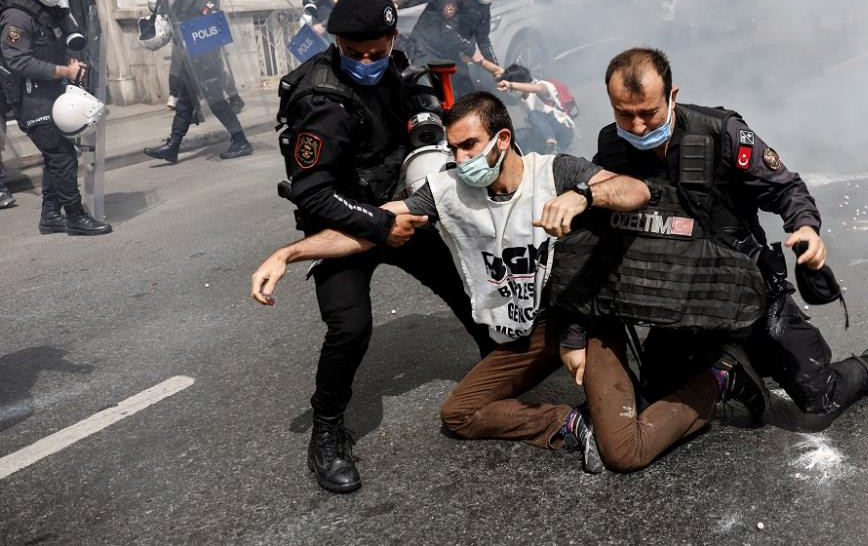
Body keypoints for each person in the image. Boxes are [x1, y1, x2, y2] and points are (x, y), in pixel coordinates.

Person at [251, 91, 764, 477]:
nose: (461, 159)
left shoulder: (554, 171)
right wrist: (289, 252)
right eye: (453, 149)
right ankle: (568, 425)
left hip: (582, 321)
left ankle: (718, 379)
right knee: (459, 414)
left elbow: (633, 190)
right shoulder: (446, 190)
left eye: (470, 145)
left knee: (625, 453)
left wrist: (584, 195)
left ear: (502, 139)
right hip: (526, 332)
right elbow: (374, 225)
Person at [571, 48, 868, 423]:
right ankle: (731, 370)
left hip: (745, 287)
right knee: (657, 395)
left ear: (672, 96)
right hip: (678, 298)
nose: (636, 127)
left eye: (648, 113)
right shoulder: (612, 146)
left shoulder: (720, 132)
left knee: (820, 398)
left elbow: (785, 188)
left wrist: (807, 229)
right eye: (624, 113)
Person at [252, 0, 496, 494]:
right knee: (350, 327)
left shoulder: (398, 63)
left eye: (376, 51)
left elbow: (423, 109)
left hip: (400, 204)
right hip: (343, 220)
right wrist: (381, 225)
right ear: (336, 41)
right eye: (353, 52)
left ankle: (497, 377)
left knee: (469, 287)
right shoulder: (318, 102)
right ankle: (326, 431)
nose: (366, 62)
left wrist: (429, 128)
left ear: (391, 39)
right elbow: (312, 193)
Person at [0, 0, 109, 234]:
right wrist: (64, 71)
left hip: (55, 95)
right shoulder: (17, 16)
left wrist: (76, 63)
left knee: (55, 156)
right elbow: (18, 62)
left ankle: (50, 215)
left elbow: (62, 43)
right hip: (31, 99)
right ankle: (74, 216)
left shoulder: (52, 9)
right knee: (62, 156)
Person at [142, 0, 252, 163]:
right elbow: (171, 24)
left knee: (217, 103)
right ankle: (172, 146)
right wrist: (164, 2)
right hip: (189, 61)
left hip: (206, 62)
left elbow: (215, 26)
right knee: (184, 102)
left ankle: (241, 141)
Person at [410, 0, 498, 98]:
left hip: (450, 50)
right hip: (426, 47)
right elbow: (447, 31)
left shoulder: (483, 5)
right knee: (430, 96)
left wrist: (495, 69)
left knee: (465, 92)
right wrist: (472, 51)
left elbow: (483, 40)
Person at [495, 63, 577, 154]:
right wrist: (482, 62)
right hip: (543, 135)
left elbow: (538, 88)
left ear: (520, 83)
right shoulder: (521, 98)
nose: (510, 92)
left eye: (512, 88)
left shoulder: (541, 86)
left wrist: (511, 85)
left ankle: (553, 145)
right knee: (516, 136)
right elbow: (496, 69)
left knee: (533, 115)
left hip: (563, 130)